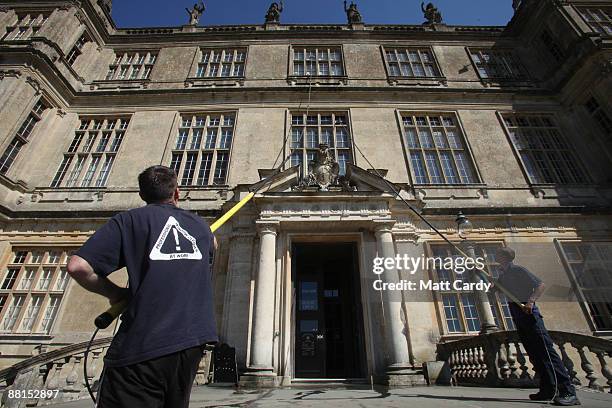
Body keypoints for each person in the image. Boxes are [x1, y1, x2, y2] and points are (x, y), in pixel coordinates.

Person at [67, 165, 217, 408]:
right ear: (176, 193)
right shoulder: (202, 227)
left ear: (142, 195)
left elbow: (78, 266)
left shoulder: (128, 221)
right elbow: (213, 246)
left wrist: (115, 293)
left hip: (144, 342)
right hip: (192, 344)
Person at [494, 247, 580, 406]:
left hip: (530, 316)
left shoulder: (518, 270)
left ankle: (568, 391)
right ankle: (548, 389)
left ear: (504, 257)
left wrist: (530, 301)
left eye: (497, 254)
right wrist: (477, 272)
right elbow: (494, 290)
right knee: (535, 354)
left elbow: (540, 285)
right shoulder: (504, 275)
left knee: (547, 353)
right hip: (518, 317)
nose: (495, 256)